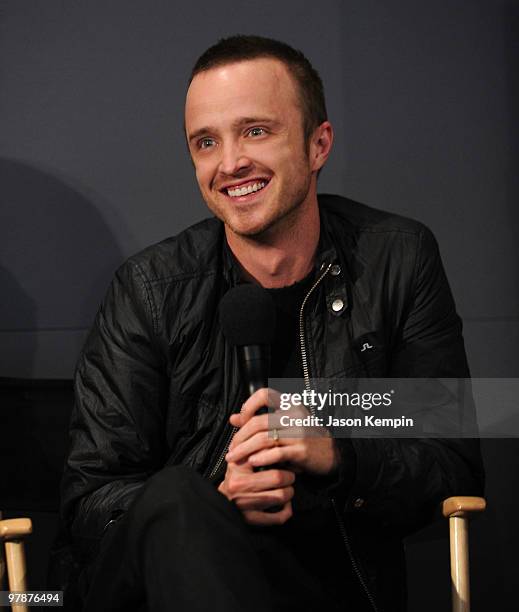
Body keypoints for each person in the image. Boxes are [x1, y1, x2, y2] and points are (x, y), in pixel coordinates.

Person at [61, 35, 484, 612]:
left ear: (318, 144)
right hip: (166, 588)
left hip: (330, 590)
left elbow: (451, 462)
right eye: (206, 142)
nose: (230, 163)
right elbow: (90, 501)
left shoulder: (399, 260)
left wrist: (337, 452)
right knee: (182, 496)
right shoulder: (149, 290)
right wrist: (214, 503)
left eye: (256, 131)